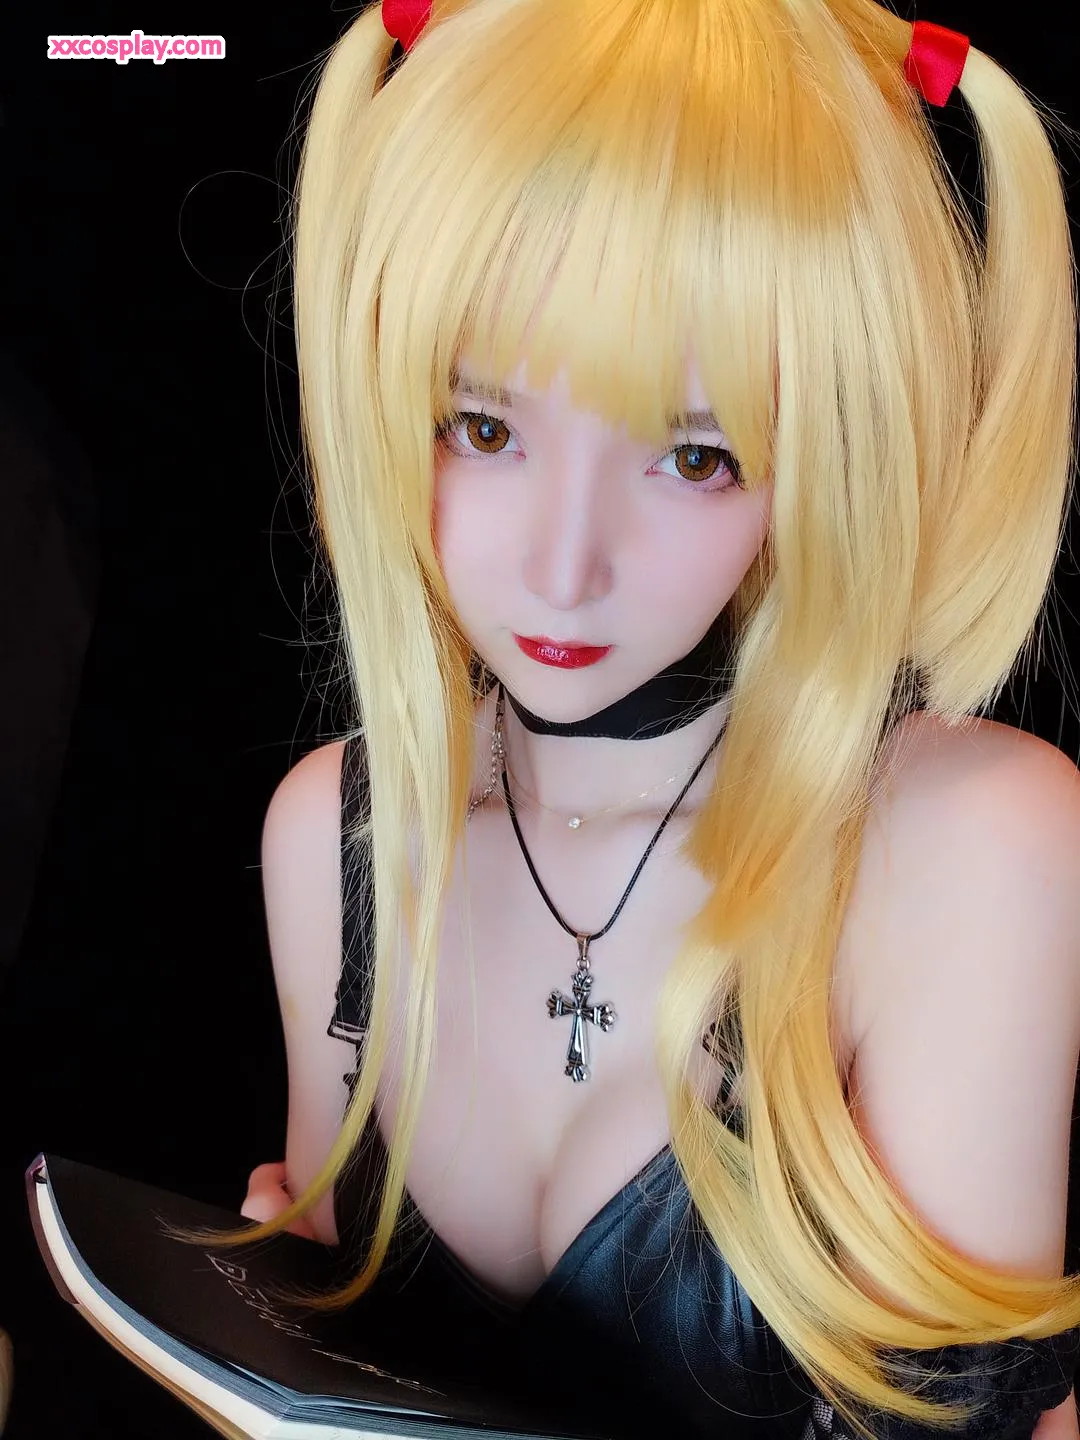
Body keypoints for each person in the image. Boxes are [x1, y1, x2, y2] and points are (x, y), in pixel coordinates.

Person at [222, 0, 1080, 1435]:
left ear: (830, 451)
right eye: (483, 427)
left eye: (694, 456)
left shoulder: (970, 845)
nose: (565, 568)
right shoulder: (342, 835)